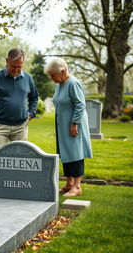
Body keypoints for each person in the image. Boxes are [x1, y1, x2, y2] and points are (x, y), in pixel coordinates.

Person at [44, 57, 92, 197]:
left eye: (53, 75)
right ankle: (69, 184)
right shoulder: (59, 84)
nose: (52, 78)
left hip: (74, 125)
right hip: (63, 125)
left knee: (75, 153)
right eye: (50, 75)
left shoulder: (73, 83)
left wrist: (74, 123)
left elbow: (80, 104)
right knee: (65, 153)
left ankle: (77, 187)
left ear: (63, 71)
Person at [0, 48, 39, 150]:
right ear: (7, 61)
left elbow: (34, 98)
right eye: (13, 66)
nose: (16, 69)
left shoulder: (28, 78)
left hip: (21, 127)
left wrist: (31, 114)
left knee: (19, 160)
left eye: (20, 66)